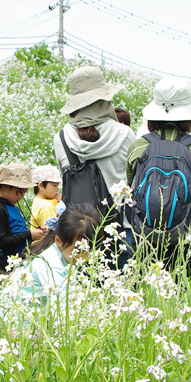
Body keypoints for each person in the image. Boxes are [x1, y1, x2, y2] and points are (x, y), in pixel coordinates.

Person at [126, 78, 191, 270]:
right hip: (187, 241)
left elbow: (130, 191)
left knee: (144, 294)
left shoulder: (138, 147)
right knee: (188, 296)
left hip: (144, 241)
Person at [52, 67, 136, 260]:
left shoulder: (61, 139)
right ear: (104, 99)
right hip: (120, 231)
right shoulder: (124, 135)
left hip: (78, 236)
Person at [2, 205, 101, 308]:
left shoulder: (62, 254)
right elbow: (63, 309)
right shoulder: (51, 264)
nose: (84, 257)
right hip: (12, 317)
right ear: (58, 241)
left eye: (89, 250)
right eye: (78, 250)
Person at [0, 164, 44, 272]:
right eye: (19, 192)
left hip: (20, 263)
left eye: (23, 193)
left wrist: (35, 234)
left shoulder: (11, 206)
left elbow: (16, 232)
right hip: (7, 267)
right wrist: (29, 235)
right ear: (5, 186)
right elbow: (0, 242)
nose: (21, 197)